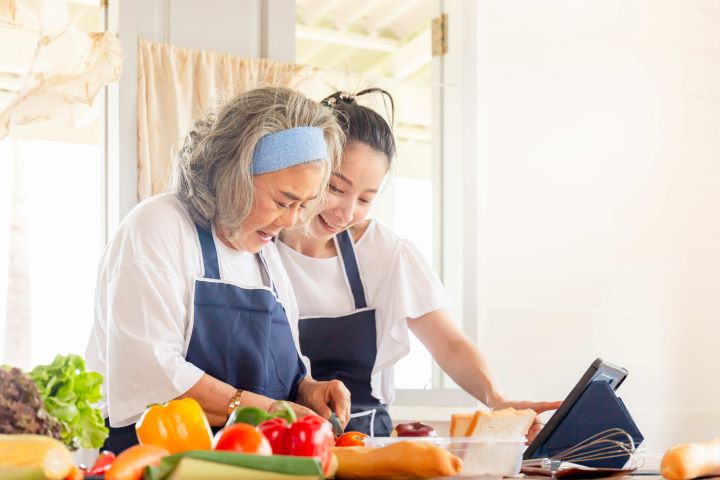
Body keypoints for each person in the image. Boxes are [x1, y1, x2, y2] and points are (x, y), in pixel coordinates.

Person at [277, 89, 560, 438]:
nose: (347, 212)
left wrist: (496, 399)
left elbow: (450, 345)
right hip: (281, 441)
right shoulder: (258, 248)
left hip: (364, 445)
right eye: (336, 188)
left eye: (366, 198)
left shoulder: (387, 253)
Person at [86, 87, 351, 453]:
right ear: (234, 175)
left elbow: (287, 370)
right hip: (155, 462)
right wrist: (268, 410)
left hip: (248, 463)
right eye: (281, 201)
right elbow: (152, 373)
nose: (290, 220)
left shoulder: (266, 257)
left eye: (304, 205)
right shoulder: (158, 225)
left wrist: (307, 390)